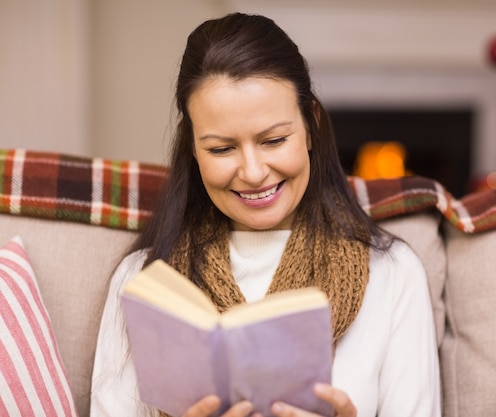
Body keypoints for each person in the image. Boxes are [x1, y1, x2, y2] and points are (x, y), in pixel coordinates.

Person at [90, 12, 441, 417]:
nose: (254, 173)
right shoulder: (145, 284)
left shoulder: (392, 273)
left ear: (311, 125)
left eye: (273, 140)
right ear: (192, 147)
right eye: (221, 149)